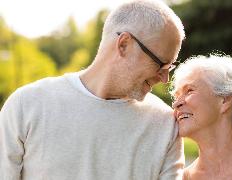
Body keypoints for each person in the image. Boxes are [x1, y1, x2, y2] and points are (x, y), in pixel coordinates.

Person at [0, 0, 185, 179]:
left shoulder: (165, 125)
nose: (164, 77)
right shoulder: (26, 105)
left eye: (170, 67)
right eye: (160, 64)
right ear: (124, 44)